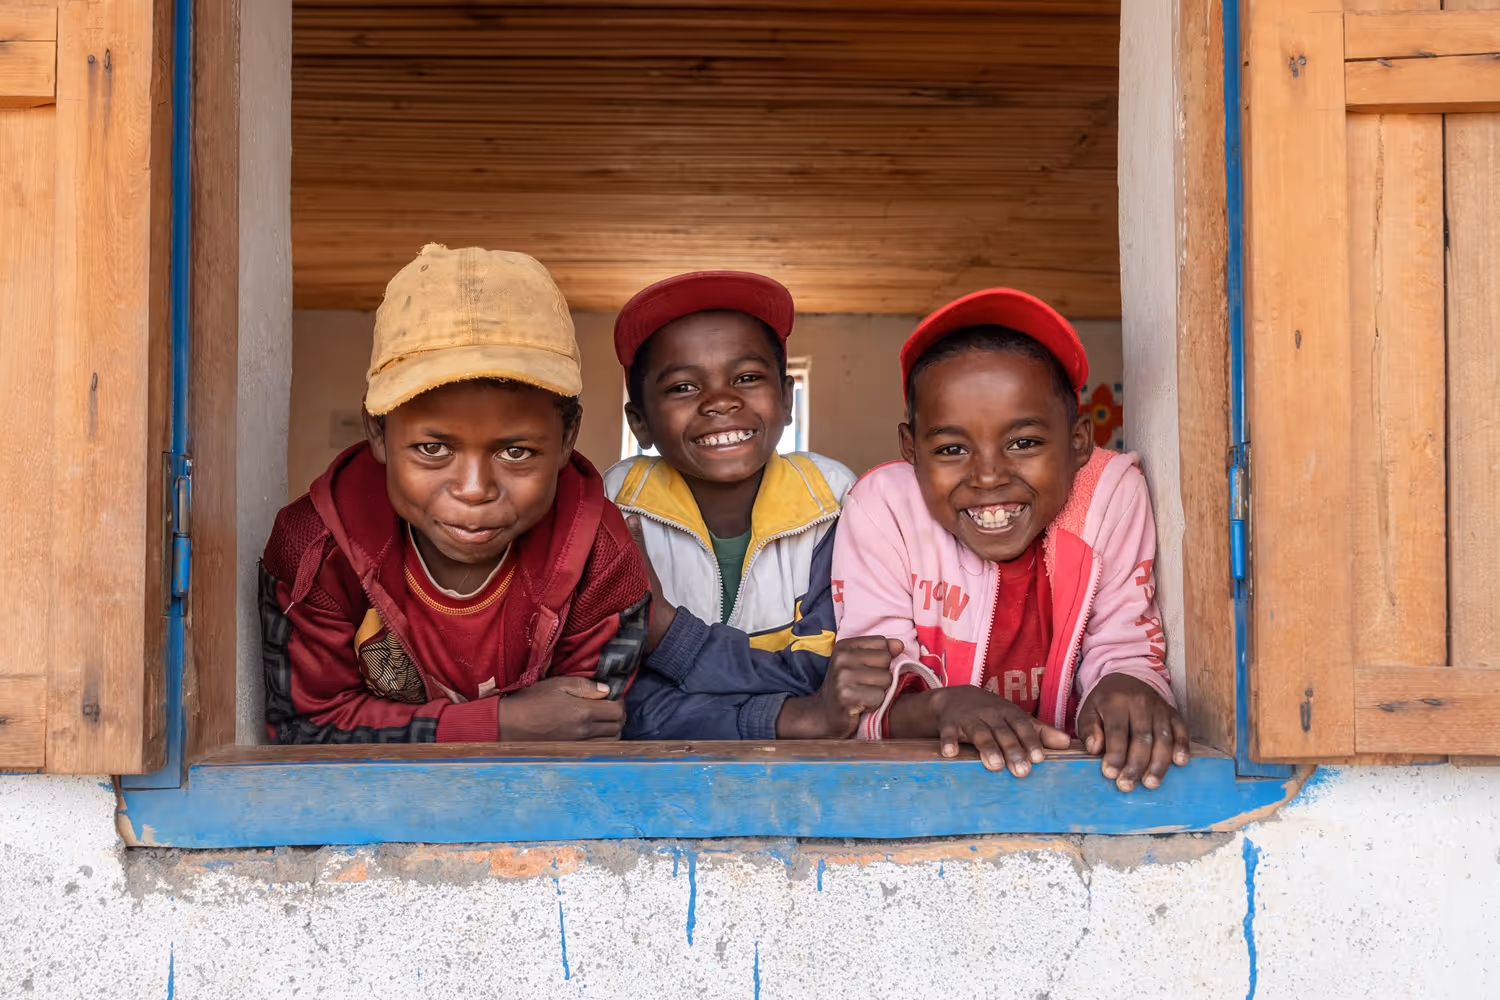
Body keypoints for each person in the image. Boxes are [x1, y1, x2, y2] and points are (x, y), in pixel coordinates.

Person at [260, 244, 650, 744]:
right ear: (377, 432)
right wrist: (499, 724)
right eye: (431, 447)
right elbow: (302, 727)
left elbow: (585, 728)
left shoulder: (600, 553)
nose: (474, 490)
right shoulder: (315, 548)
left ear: (567, 436)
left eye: (515, 452)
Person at [831, 288, 1186, 791]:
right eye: (952, 448)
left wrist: (1124, 688)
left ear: (1079, 441)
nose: (989, 475)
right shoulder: (882, 507)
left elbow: (1125, 644)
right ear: (911, 449)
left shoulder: (1110, 495)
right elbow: (870, 696)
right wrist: (943, 706)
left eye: (1024, 443)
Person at [606, 270, 897, 740]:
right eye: (683, 386)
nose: (720, 401)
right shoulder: (617, 510)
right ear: (640, 423)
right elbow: (619, 705)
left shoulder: (834, 499)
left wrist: (666, 635)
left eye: (746, 377)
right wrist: (792, 718)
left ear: (786, 400)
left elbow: (826, 676)